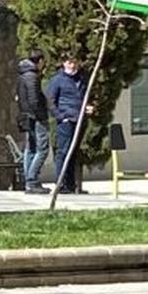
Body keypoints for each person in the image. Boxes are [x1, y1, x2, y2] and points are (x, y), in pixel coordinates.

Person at [45, 51, 89, 194]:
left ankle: (70, 184)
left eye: (75, 62)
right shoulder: (57, 80)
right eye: (69, 62)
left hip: (80, 119)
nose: (72, 65)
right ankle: (61, 183)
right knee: (63, 152)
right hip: (66, 120)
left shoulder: (82, 79)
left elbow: (86, 96)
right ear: (64, 63)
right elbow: (50, 101)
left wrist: (89, 107)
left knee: (74, 152)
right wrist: (60, 116)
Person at [16, 49, 50, 194]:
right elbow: (34, 100)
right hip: (35, 117)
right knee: (42, 149)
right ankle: (32, 180)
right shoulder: (32, 76)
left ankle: (28, 181)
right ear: (40, 61)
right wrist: (42, 117)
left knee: (31, 148)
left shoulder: (22, 74)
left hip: (26, 116)